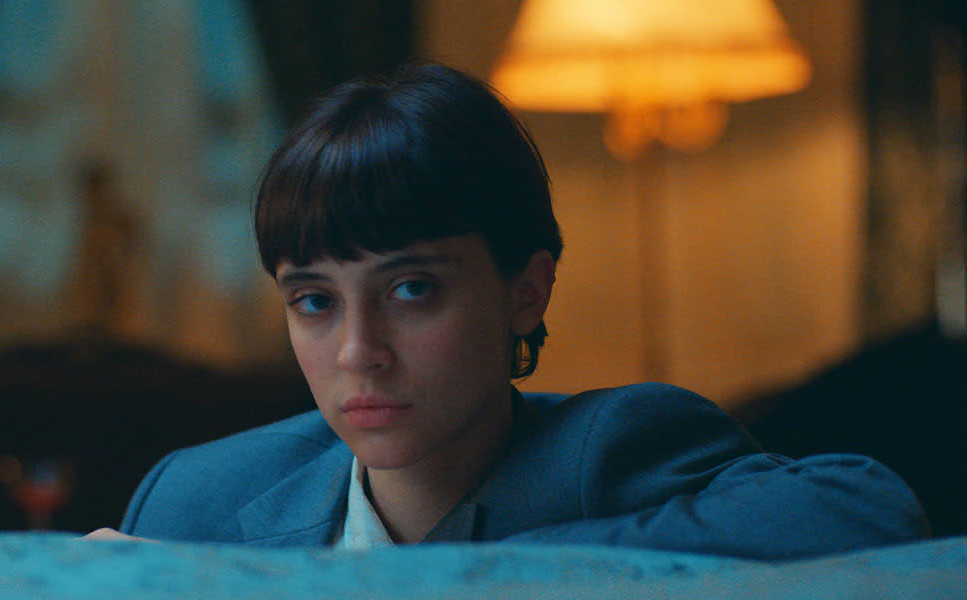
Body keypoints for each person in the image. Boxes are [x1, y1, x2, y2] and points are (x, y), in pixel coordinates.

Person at [92, 63, 928, 558]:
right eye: (314, 301)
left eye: (412, 289)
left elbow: (872, 512)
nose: (357, 351)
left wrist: (466, 576)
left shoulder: (611, 452)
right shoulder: (195, 497)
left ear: (526, 291)